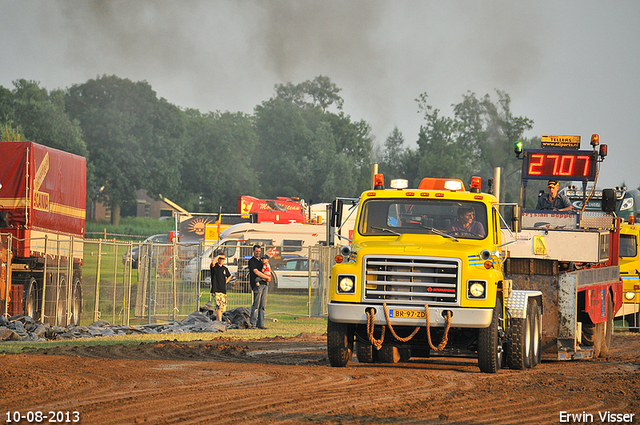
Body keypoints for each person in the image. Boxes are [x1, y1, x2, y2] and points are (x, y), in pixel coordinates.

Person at [248, 245, 271, 329]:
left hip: (265, 285)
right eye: (256, 251)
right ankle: (253, 324)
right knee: (256, 305)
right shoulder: (251, 261)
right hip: (257, 286)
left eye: (259, 251)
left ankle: (261, 324)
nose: (258, 253)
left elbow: (267, 271)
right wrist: (266, 277)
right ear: (253, 251)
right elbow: (256, 272)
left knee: (263, 306)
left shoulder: (262, 262)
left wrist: (268, 277)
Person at [210, 249, 232, 322]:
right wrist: (219, 256)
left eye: (223, 259)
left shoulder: (225, 268)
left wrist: (225, 282)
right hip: (216, 290)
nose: (222, 260)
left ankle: (218, 320)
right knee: (218, 306)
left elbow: (229, 276)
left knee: (222, 307)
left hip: (223, 290)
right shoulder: (215, 267)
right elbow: (213, 263)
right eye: (220, 258)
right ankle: (219, 321)